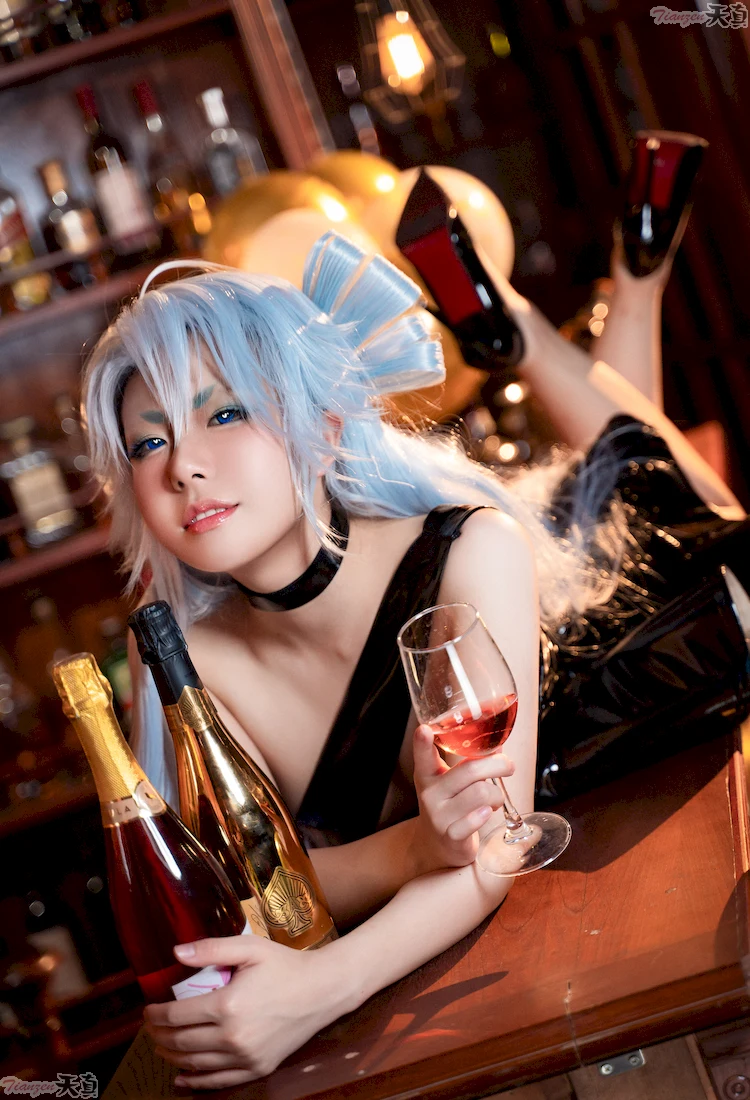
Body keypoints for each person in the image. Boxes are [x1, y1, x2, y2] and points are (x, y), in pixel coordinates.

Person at [81, 229, 746, 1088]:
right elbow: (244, 892)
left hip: (624, 668)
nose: (185, 469)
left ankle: (569, 303)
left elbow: (492, 850)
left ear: (322, 424)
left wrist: (313, 991)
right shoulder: (184, 659)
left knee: (669, 501)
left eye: (224, 413)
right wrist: (412, 852)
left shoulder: (469, 550)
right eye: (149, 443)